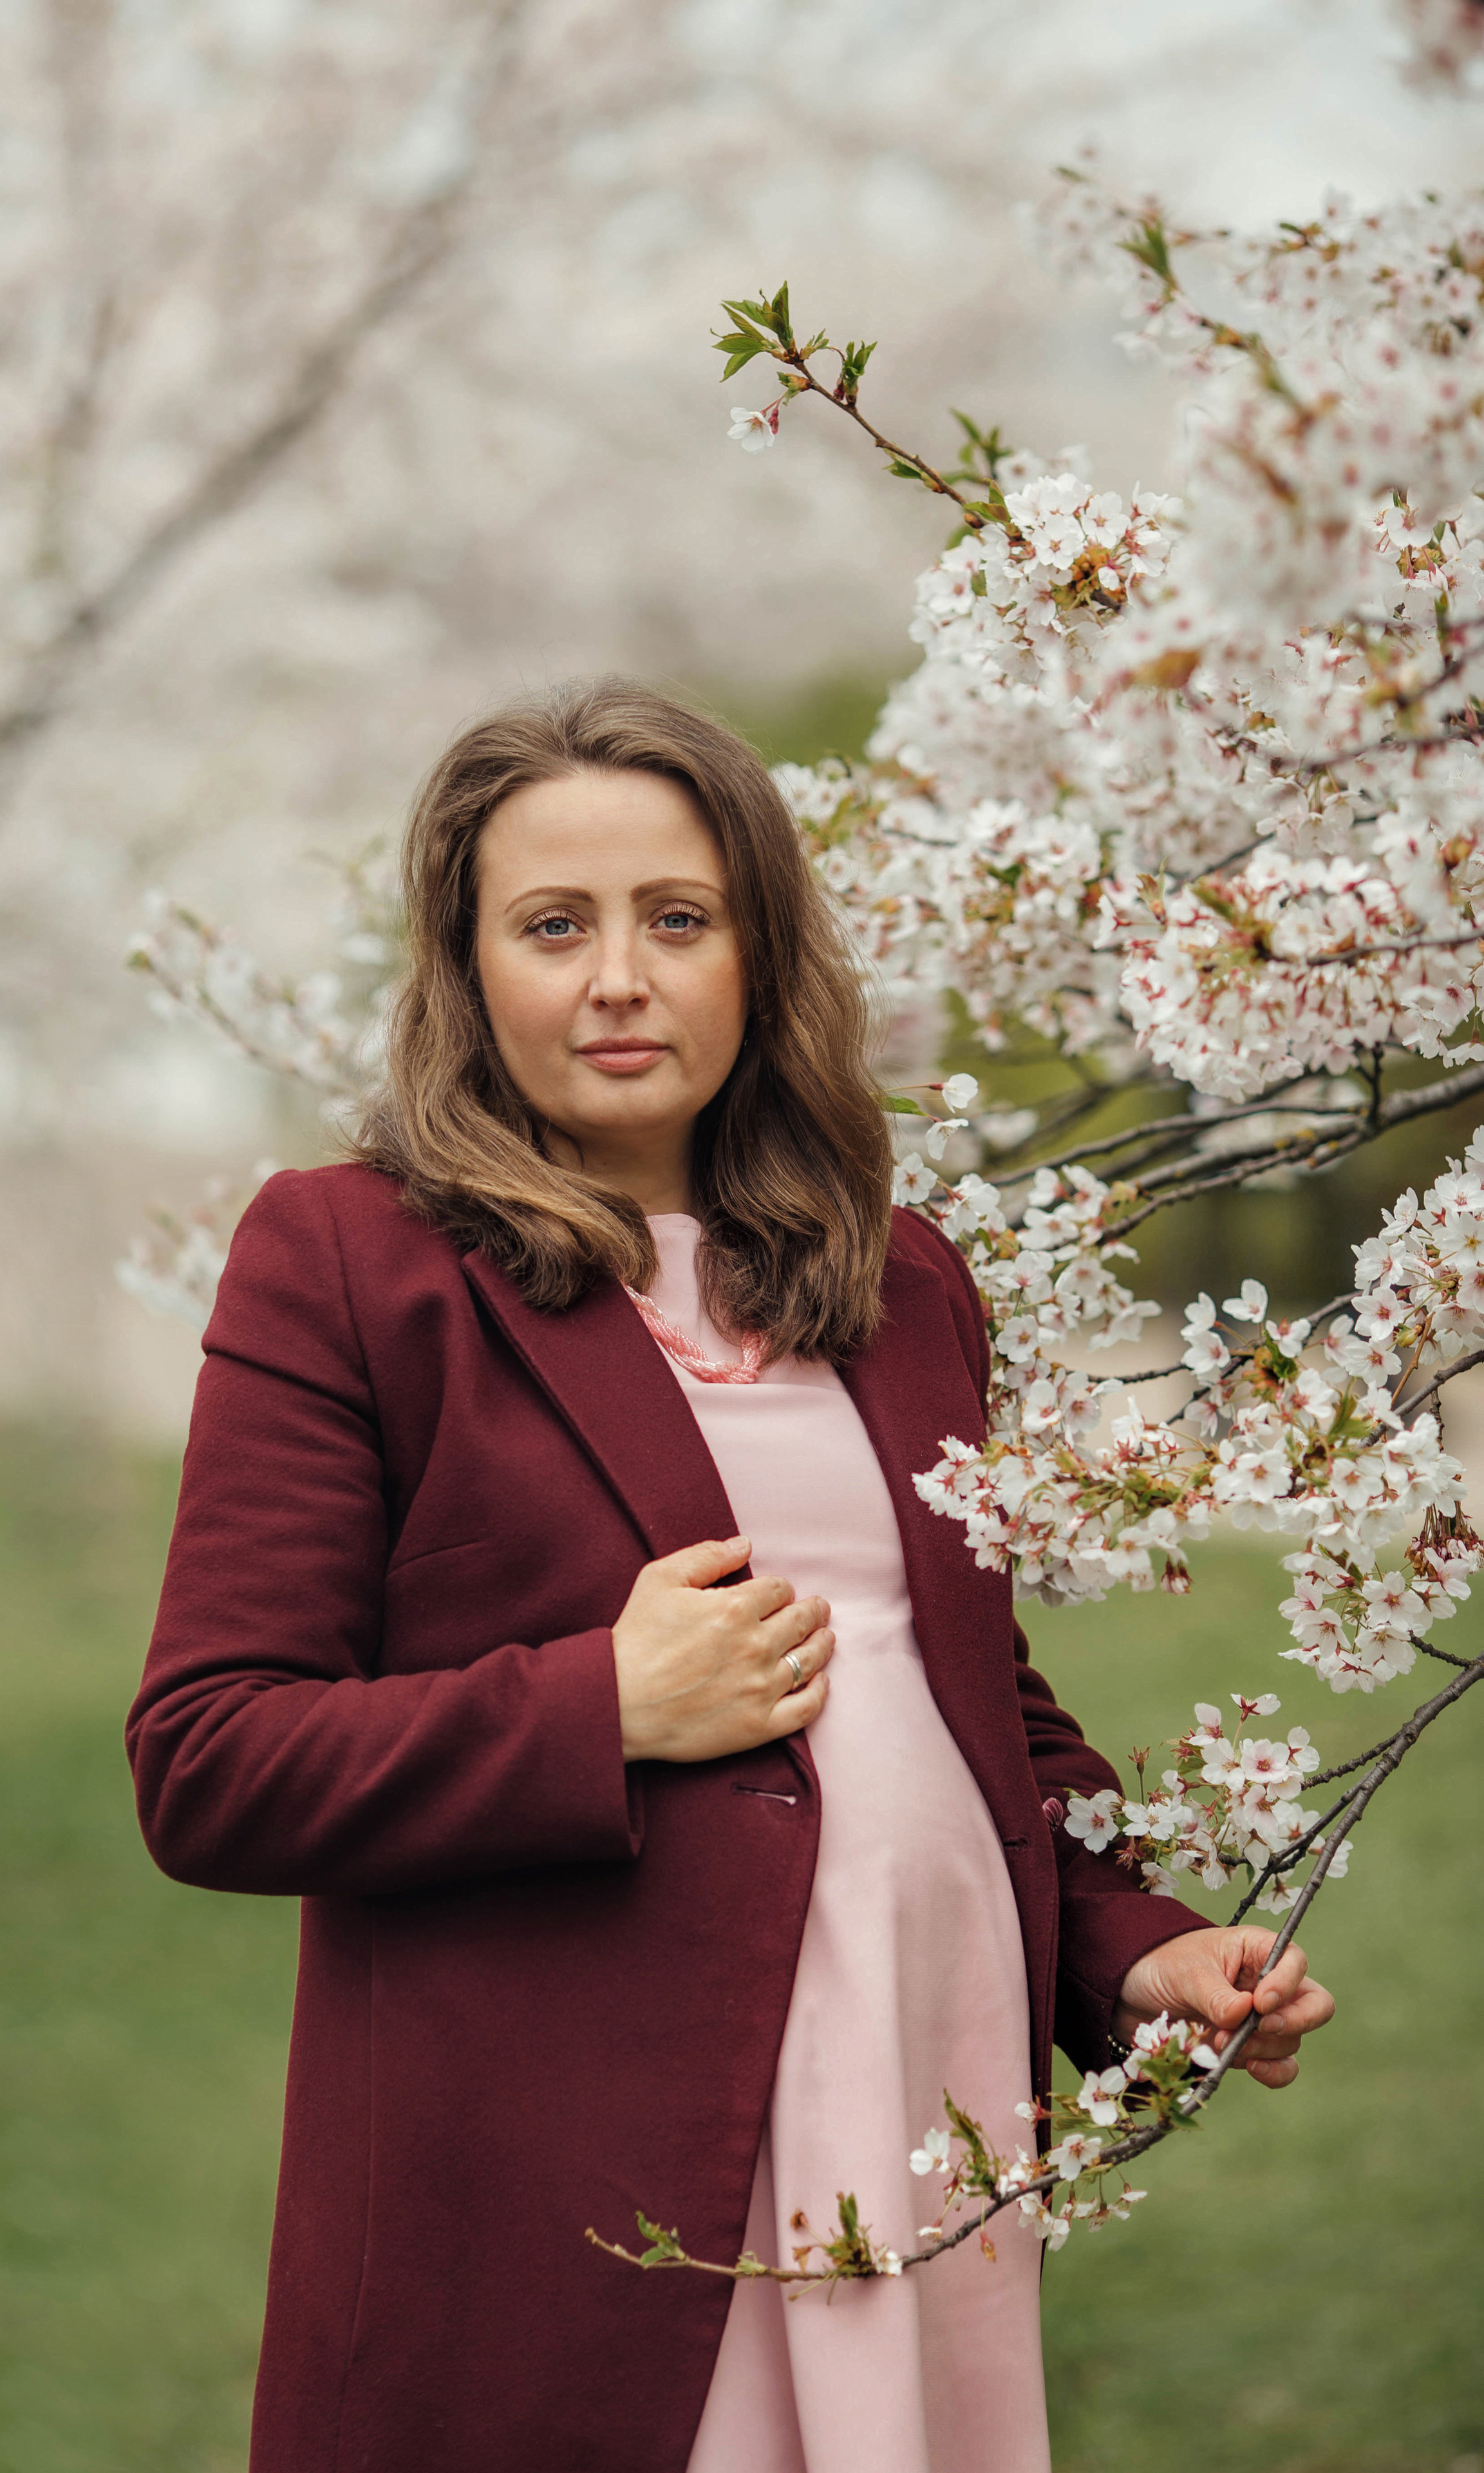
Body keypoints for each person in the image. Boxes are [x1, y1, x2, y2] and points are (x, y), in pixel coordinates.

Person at [127, 677, 1335, 2473]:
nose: (619, 977)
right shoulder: (354, 1262)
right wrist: (596, 1709)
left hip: (917, 2108)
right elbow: (212, 1759)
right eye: (554, 925)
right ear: (468, 972)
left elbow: (972, 1693)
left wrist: (1138, 1955)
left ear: (759, 958)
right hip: (575, 2178)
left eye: (677, 919)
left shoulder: (902, 1277)